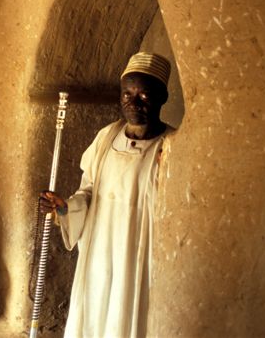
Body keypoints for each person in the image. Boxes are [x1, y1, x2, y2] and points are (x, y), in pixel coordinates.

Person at [39, 52, 174, 337]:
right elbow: (88, 191)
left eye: (144, 95)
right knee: (96, 311)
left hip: (139, 254)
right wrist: (65, 207)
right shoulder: (106, 137)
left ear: (163, 97)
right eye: (127, 94)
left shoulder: (172, 147)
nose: (133, 102)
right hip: (100, 251)